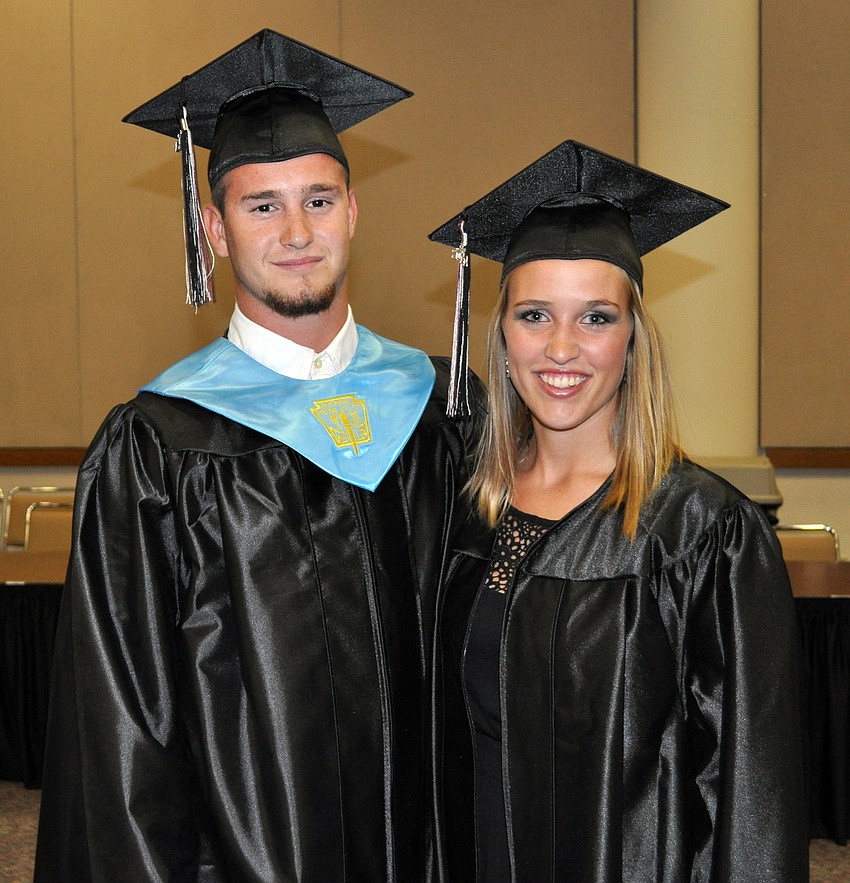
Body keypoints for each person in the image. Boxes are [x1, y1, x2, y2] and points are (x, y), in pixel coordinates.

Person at [34, 30, 476, 881]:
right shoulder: (160, 448)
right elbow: (126, 728)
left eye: (319, 199)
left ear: (354, 210)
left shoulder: (442, 412)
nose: (297, 231)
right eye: (261, 205)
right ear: (216, 228)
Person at [428, 140, 808, 882]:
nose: (561, 348)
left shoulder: (704, 533)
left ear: (633, 340)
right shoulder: (463, 513)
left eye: (595, 317)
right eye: (535, 314)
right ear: (501, 339)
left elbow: (752, 799)